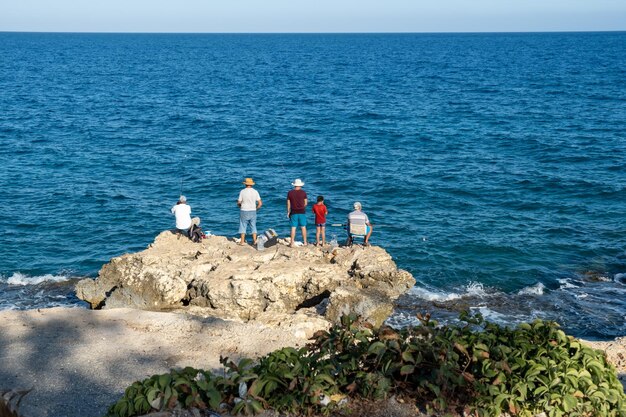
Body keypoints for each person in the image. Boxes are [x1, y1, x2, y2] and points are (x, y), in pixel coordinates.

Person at [237, 177, 262, 245]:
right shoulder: (255, 191)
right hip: (253, 211)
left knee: (243, 226)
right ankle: (254, 241)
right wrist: (256, 209)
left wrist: (240, 206)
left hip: (244, 210)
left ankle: (242, 242)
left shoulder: (242, 191)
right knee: (253, 226)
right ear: (251, 184)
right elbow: (260, 203)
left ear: (245, 184)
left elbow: (239, 202)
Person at [286, 178, 308, 247]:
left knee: (293, 227)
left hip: (293, 212)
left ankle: (292, 243)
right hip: (302, 211)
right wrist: (302, 207)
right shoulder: (303, 192)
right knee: (303, 227)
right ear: (300, 185)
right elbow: (306, 203)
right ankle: (305, 242)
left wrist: (288, 211)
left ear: (294, 185)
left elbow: (288, 203)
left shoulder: (290, 193)